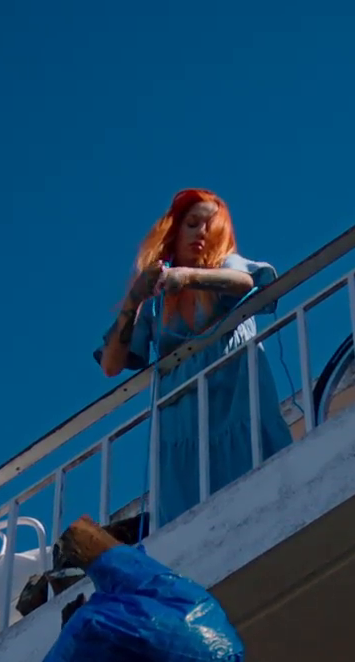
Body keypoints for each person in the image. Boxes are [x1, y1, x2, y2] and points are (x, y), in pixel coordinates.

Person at [94, 189, 295, 528]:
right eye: (192, 223)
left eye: (209, 225)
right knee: (189, 509)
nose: (201, 232)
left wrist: (188, 277)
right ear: (175, 232)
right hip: (182, 419)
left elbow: (246, 281)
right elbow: (111, 365)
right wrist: (134, 299)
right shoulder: (158, 301)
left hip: (236, 399)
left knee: (259, 482)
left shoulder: (224, 267)